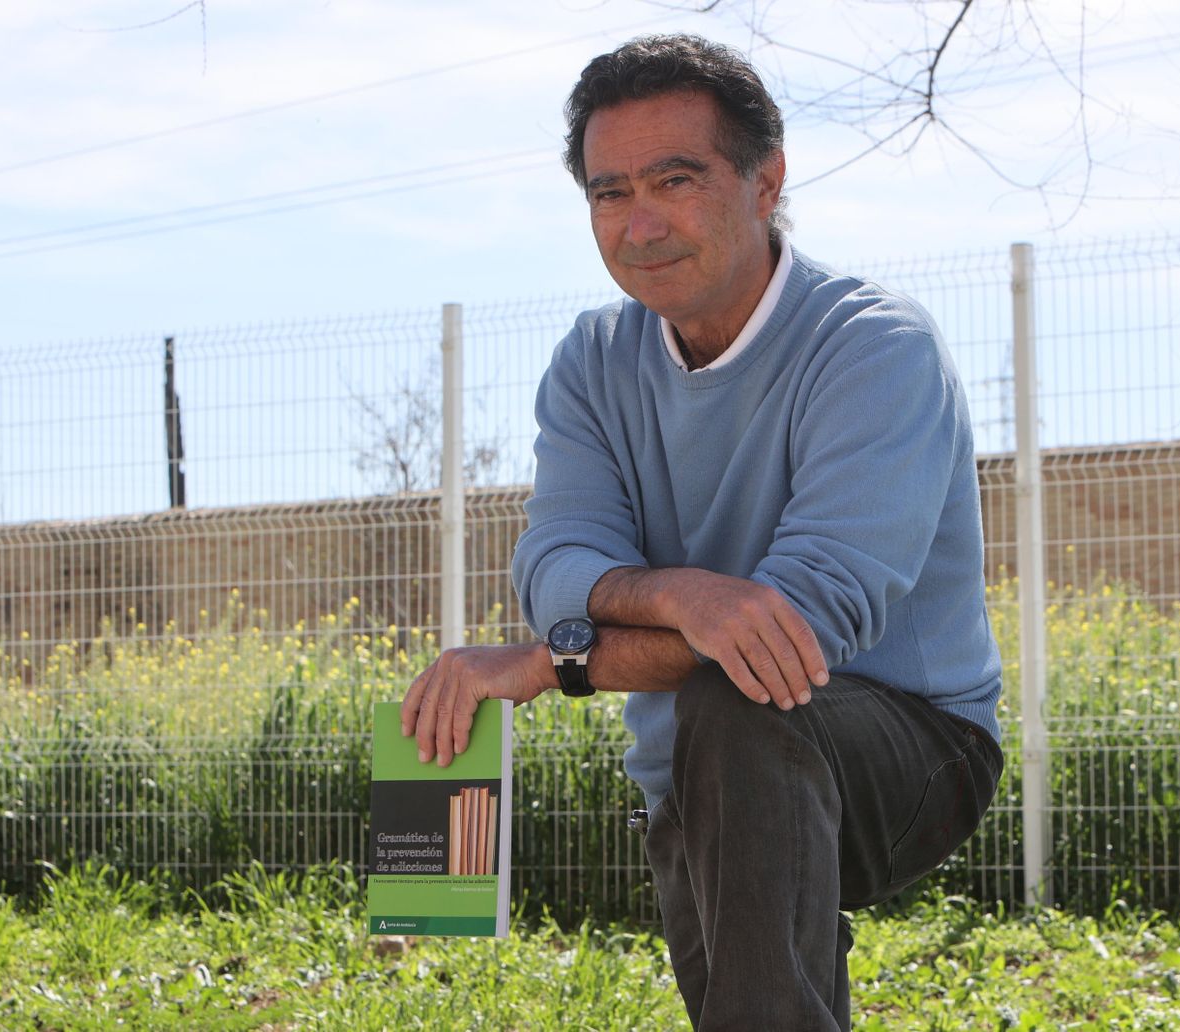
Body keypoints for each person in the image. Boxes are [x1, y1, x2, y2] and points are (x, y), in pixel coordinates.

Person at [400, 33, 1004, 1031]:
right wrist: (683, 594)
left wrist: (549, 666)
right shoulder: (594, 362)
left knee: (742, 700)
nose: (640, 226)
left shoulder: (872, 347)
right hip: (697, 766)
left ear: (766, 181)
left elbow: (793, 630)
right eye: (609, 193)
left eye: (675, 181)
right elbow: (555, 569)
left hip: (912, 746)